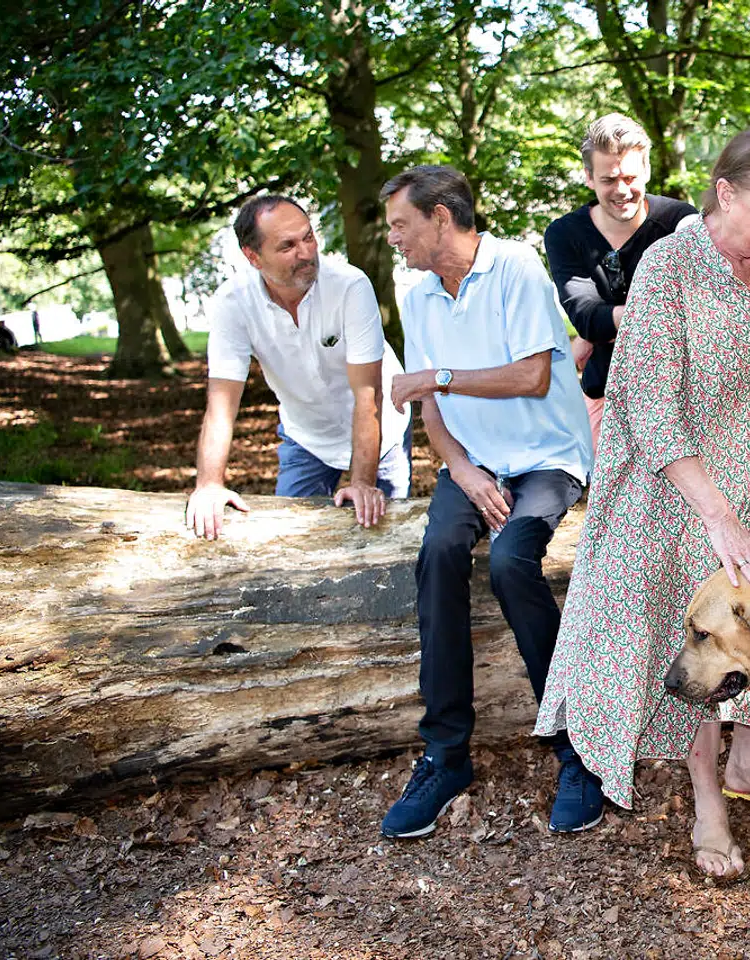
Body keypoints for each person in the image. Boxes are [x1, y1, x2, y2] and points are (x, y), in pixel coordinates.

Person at [534, 127, 750, 879]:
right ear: (725, 193)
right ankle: (710, 798)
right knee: (702, 640)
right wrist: (717, 516)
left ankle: (749, 763)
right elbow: (652, 411)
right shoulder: (669, 265)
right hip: (678, 490)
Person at [378, 165, 596, 839]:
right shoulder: (417, 297)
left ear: (442, 218)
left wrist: (438, 375)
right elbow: (430, 408)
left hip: (546, 459)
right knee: (440, 550)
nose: (394, 240)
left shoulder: (515, 268)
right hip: (472, 464)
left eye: (400, 226)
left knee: (509, 563)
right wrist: (463, 472)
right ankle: (445, 756)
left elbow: (532, 376)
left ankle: (576, 751)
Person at [186, 195, 411, 540]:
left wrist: (362, 483)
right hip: (306, 437)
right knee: (292, 542)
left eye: (308, 237)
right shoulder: (233, 303)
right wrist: (209, 485)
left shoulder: (350, 286)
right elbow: (221, 405)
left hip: (381, 434)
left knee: (386, 541)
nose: (306, 253)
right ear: (253, 256)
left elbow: (369, 394)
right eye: (287, 246)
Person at [543, 114, 697, 450]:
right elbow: (584, 315)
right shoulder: (565, 234)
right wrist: (658, 312)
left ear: (647, 172)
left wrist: (608, 323)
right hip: (607, 397)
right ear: (588, 178)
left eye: (630, 176)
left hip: (682, 398)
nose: (622, 190)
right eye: (609, 180)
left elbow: (700, 301)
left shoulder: (678, 221)